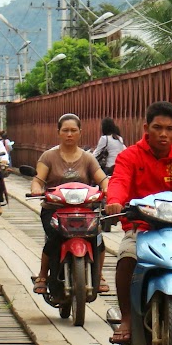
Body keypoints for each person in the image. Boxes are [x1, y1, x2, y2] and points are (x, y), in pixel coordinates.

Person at [104, 102, 172, 344]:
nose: (163, 134)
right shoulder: (129, 155)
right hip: (141, 226)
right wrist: (115, 201)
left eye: (170, 129)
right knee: (126, 258)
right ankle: (127, 317)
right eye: (157, 127)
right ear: (146, 128)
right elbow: (119, 180)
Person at [30, 114, 109, 294]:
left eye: (73, 130)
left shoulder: (88, 158)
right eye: (65, 130)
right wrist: (36, 188)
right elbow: (38, 179)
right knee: (54, 237)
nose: (69, 134)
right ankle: (43, 274)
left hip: (84, 210)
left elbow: (102, 178)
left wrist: (107, 189)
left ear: (80, 133)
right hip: (55, 210)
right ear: (58, 132)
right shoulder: (48, 156)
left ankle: (100, 273)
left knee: (98, 239)